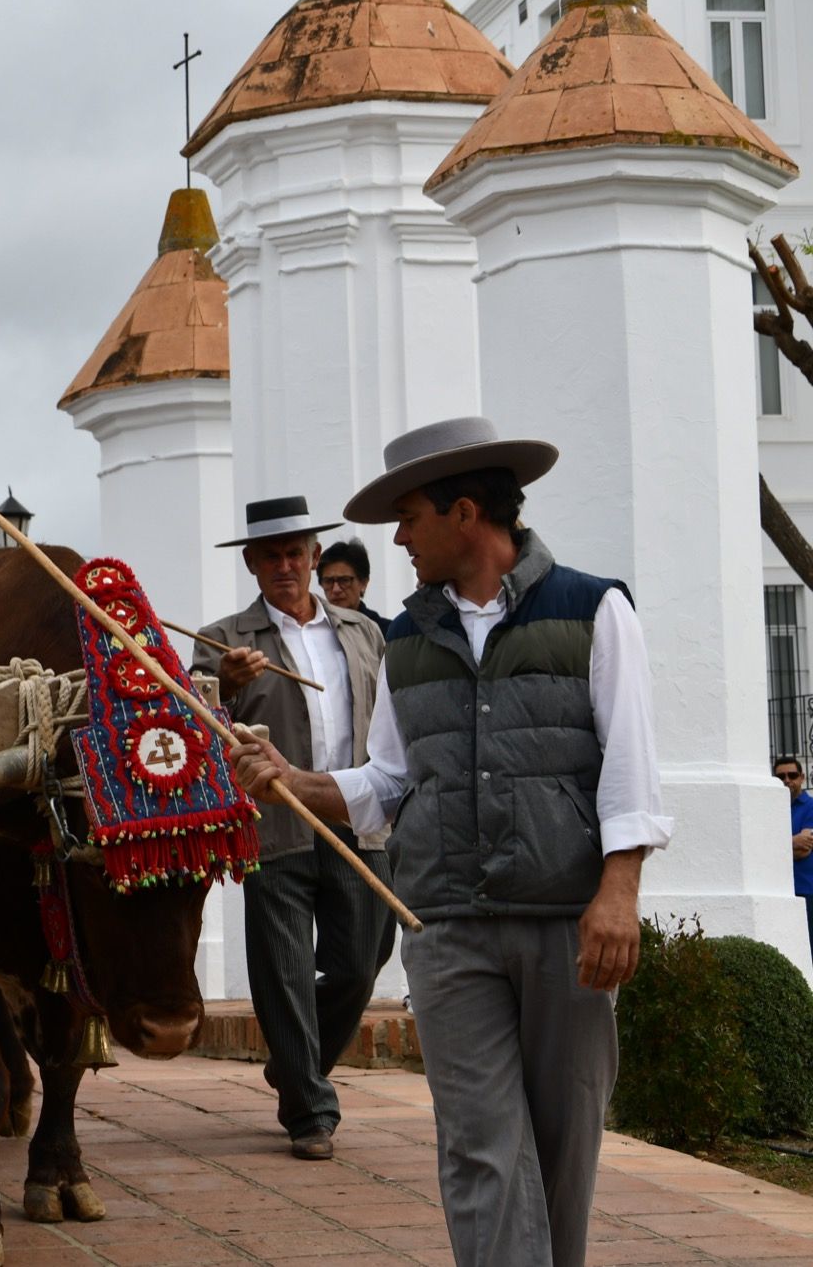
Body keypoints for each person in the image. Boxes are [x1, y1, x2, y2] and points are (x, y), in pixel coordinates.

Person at [231, 416, 672, 1267]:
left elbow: (633, 764)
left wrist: (619, 893)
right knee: (478, 1145)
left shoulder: (595, 609)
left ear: (464, 512)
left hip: (566, 925)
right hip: (445, 927)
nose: (396, 537)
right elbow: (388, 782)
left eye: (409, 516)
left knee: (562, 1145)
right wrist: (294, 776)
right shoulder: (404, 638)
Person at [191, 495, 390, 1161]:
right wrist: (223, 683)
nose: (284, 564)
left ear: (313, 557)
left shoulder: (362, 632)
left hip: (355, 816)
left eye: (294, 552)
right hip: (273, 826)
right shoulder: (225, 640)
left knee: (360, 964)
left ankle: (294, 1063)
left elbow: (388, 725)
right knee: (282, 971)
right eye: (270, 554)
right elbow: (193, 721)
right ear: (251, 563)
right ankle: (308, 1106)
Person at [777, 756, 813, 957]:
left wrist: (774, 847)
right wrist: (792, 842)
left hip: (807, 889)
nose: (787, 780)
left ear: (802, 778)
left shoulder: (811, 807)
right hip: (779, 889)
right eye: (781, 776)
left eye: (792, 775)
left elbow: (804, 848)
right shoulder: (769, 807)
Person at [318, 537, 390, 636]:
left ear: (363, 583)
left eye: (344, 580)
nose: (336, 589)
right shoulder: (315, 631)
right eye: (328, 581)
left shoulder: (385, 631)